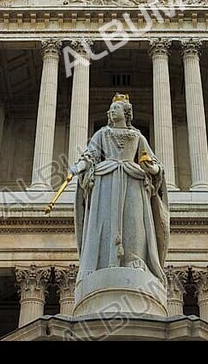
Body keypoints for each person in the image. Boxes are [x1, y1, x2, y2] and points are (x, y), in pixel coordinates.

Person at [69, 94, 168, 284]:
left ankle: (134, 258)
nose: (111, 111)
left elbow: (153, 162)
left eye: (116, 108)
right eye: (111, 109)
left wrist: (152, 169)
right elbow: (90, 155)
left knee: (134, 221)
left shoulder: (137, 136)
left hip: (133, 179)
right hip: (106, 179)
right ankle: (105, 260)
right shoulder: (102, 134)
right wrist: (77, 168)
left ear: (126, 112)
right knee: (104, 220)